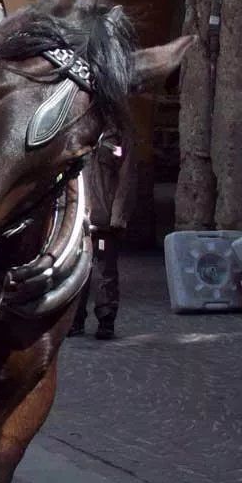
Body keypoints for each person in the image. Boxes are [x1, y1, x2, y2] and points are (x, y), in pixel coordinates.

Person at [69, 131, 136, 340]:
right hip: (79, 219)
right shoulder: (80, 132)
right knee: (76, 271)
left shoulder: (118, 140)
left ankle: (106, 319)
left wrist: (118, 216)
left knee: (104, 271)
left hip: (104, 221)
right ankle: (75, 320)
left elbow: (126, 177)